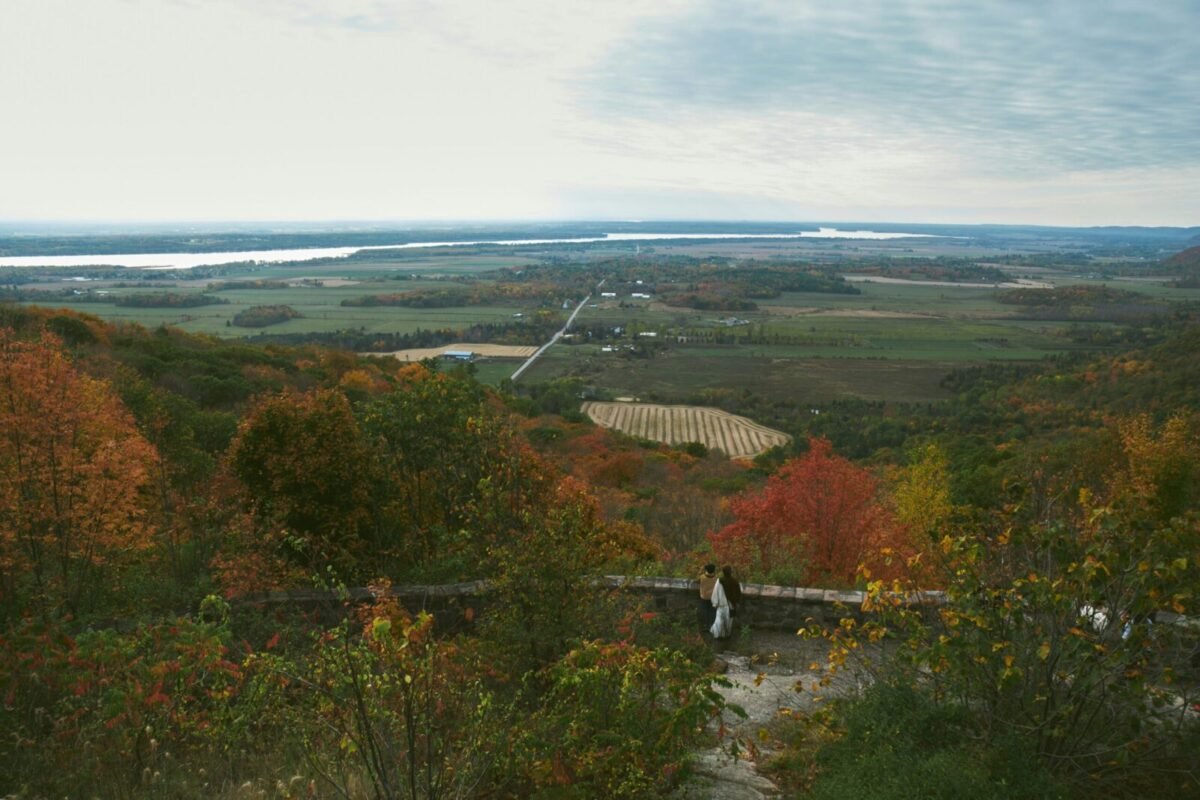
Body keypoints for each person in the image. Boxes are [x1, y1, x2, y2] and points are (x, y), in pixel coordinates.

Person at [697, 564, 718, 631]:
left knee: (704, 611)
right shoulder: (716, 578)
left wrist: (701, 570)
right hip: (712, 597)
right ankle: (711, 625)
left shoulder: (702, 577)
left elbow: (696, 580)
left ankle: (705, 626)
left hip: (704, 597)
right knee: (712, 612)